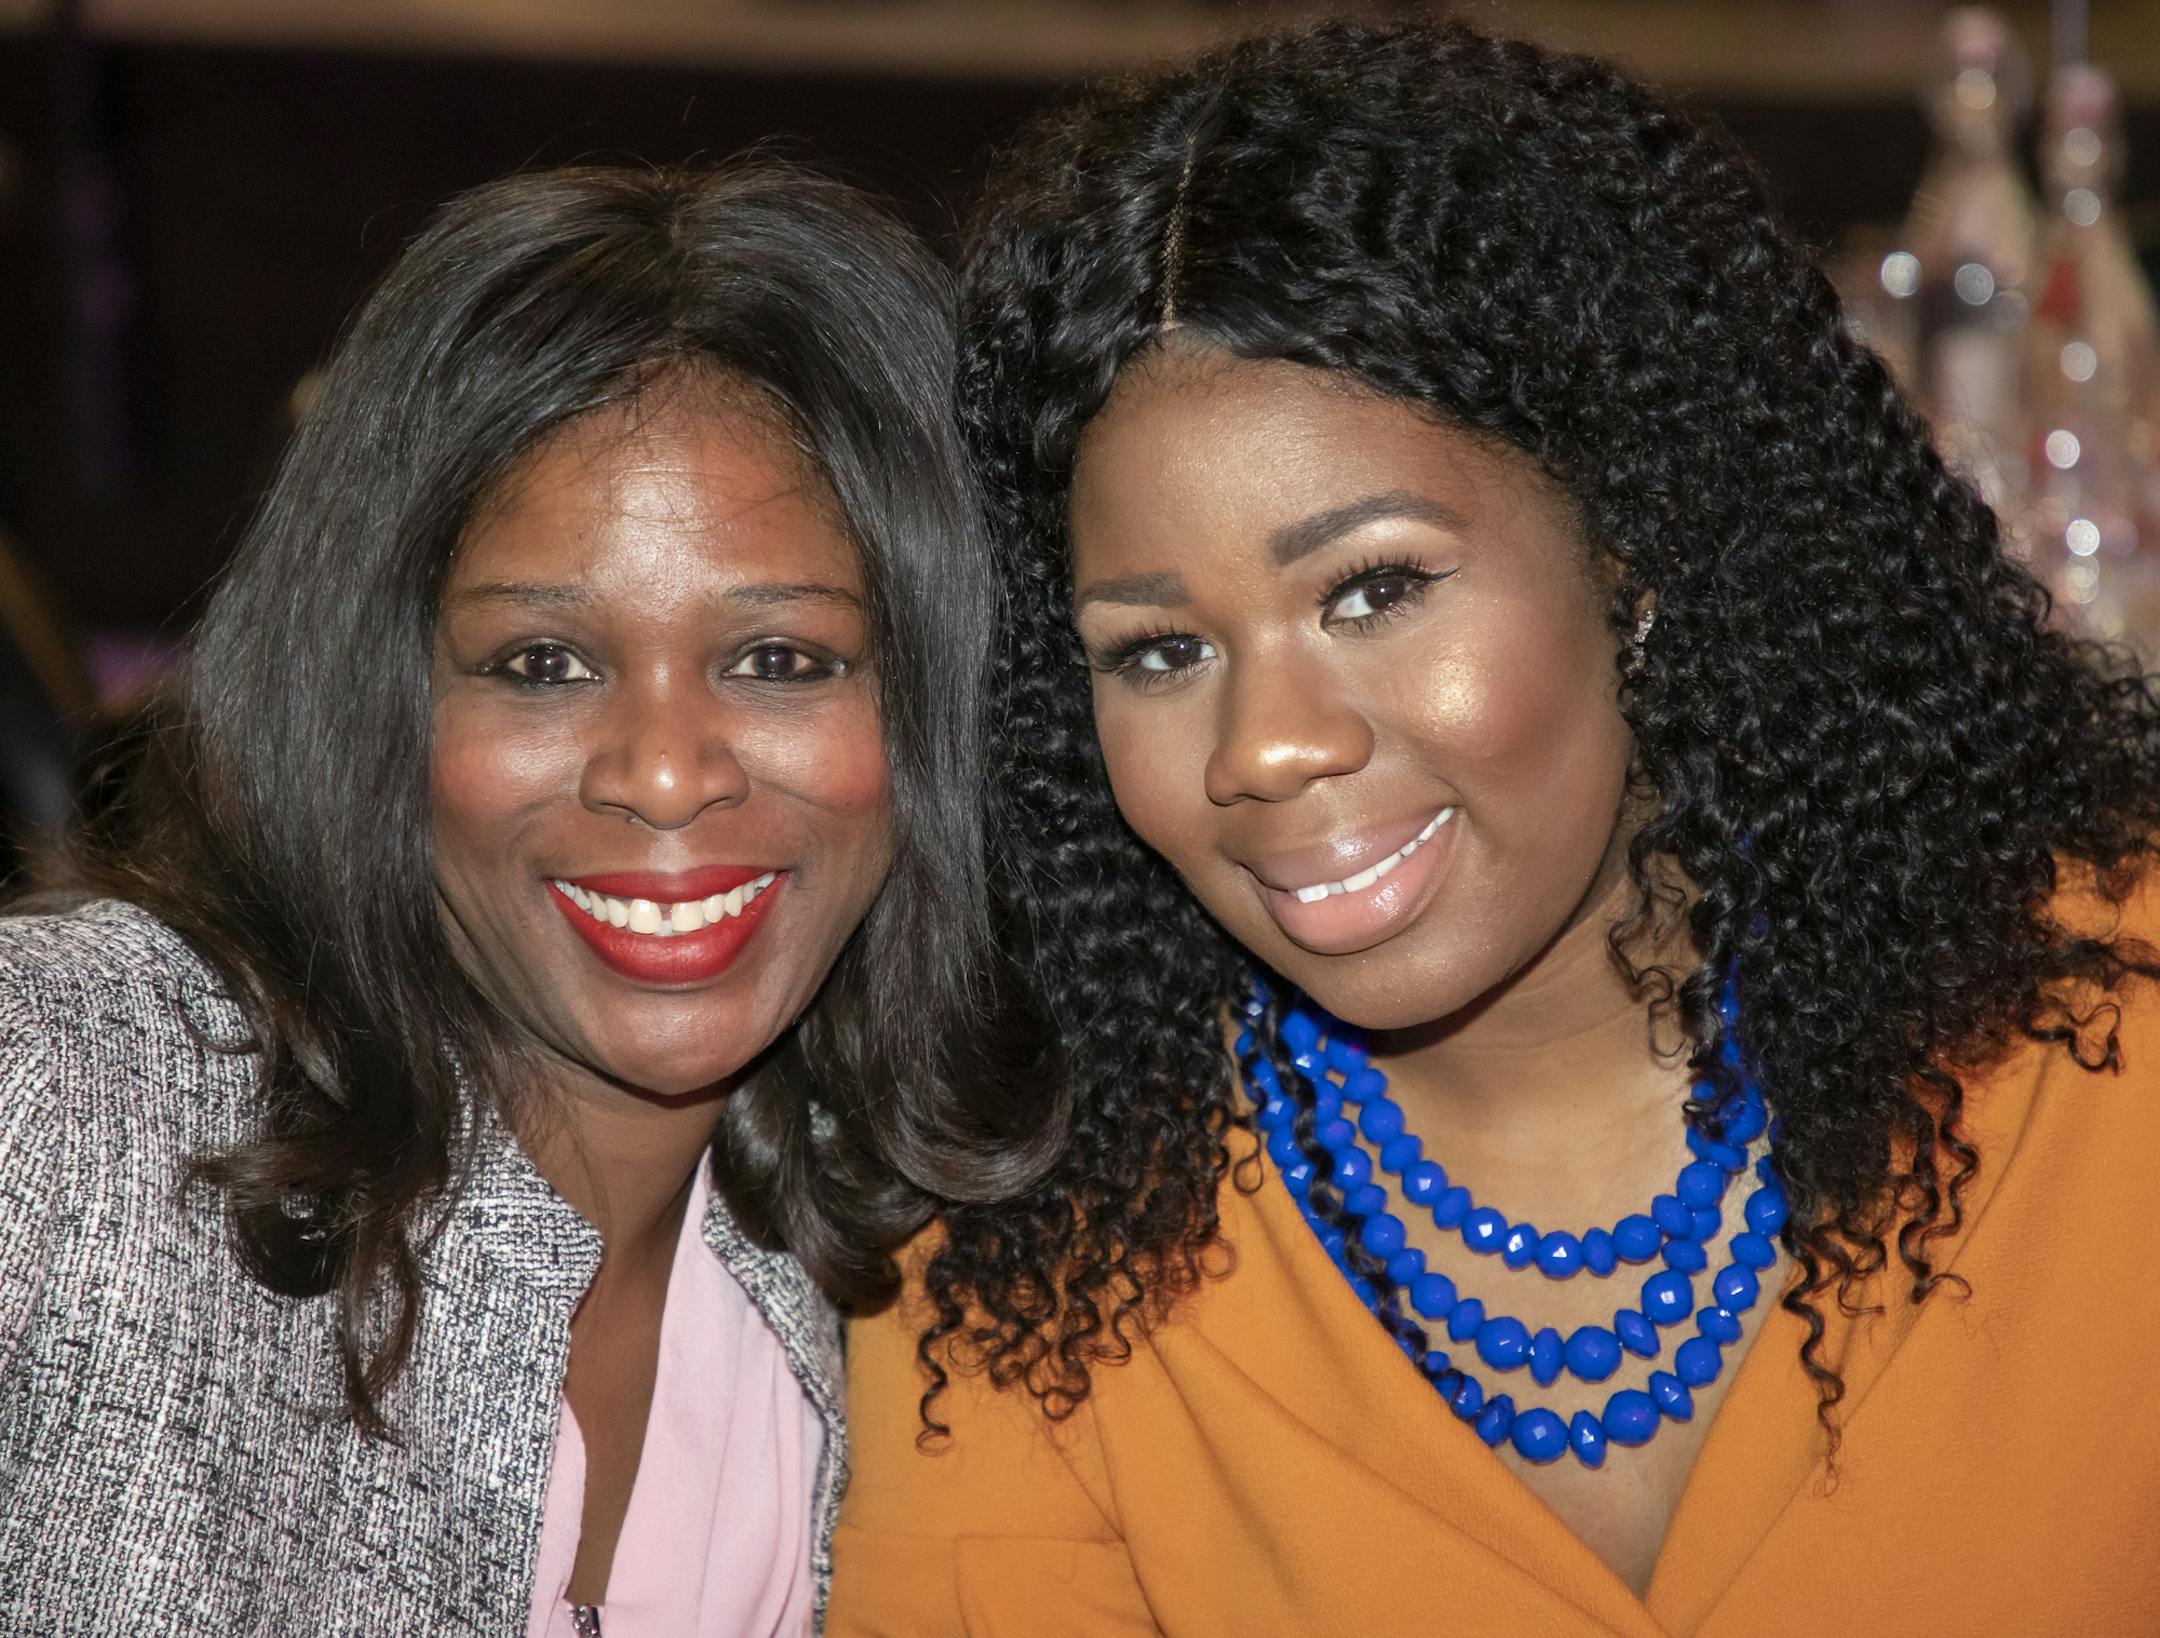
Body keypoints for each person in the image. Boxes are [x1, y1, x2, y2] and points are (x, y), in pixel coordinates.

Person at [834, 21, 2160, 1636]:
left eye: (1374, 589)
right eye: (1161, 651)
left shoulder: (2102, 1053)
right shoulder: (1031, 1255)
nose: (1265, 748)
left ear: (1639, 545)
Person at [0, 162, 998, 1635]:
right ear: (375, 698)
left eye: (781, 659)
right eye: (544, 663)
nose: (664, 774)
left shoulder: (936, 1276)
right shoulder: (71, 1085)